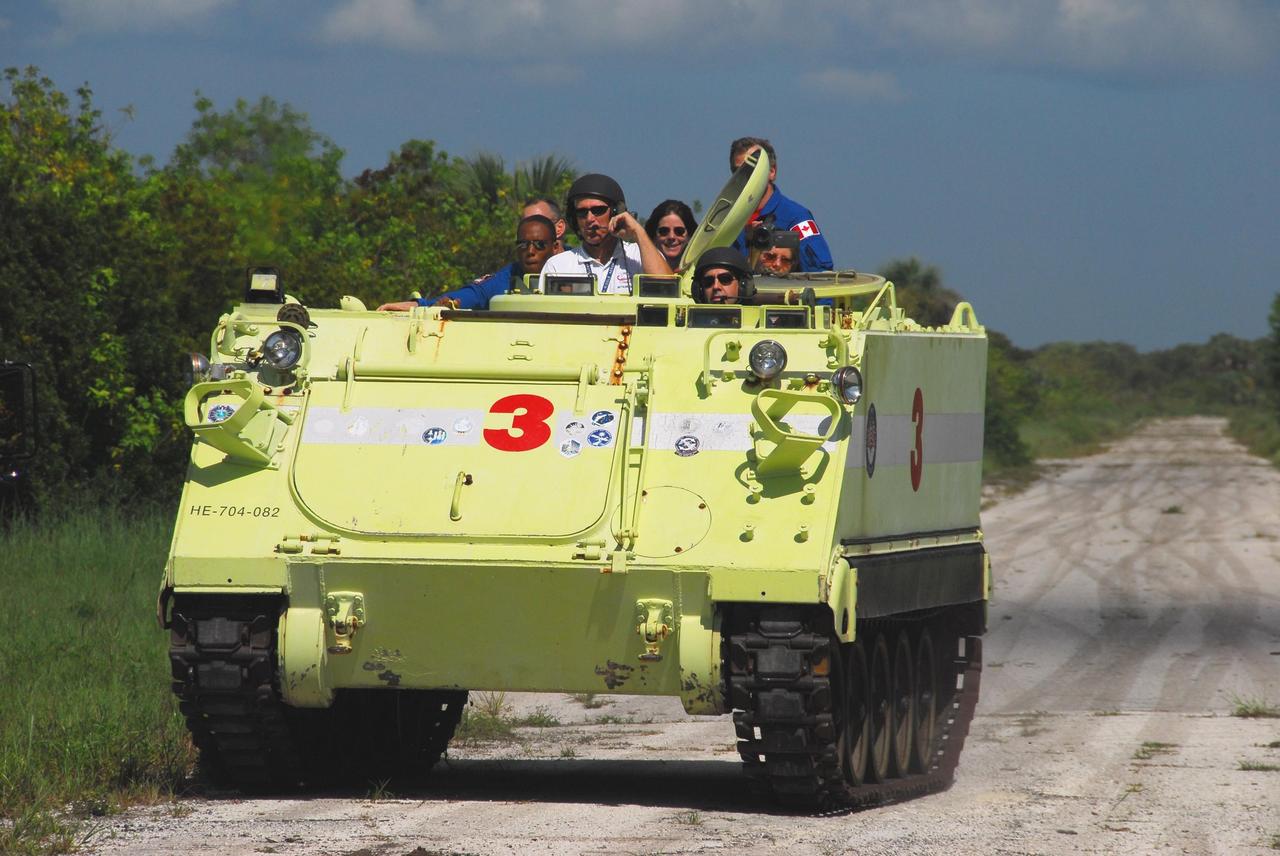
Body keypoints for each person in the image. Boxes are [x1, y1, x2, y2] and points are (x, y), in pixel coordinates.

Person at [376, 215, 557, 311]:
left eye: (540, 244)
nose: (531, 251)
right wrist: (419, 305)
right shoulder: (505, 279)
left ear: (555, 247)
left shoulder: (573, 271)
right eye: (523, 244)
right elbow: (467, 296)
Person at [539, 173, 672, 294]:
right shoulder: (558, 266)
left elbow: (668, 289)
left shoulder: (638, 256)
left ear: (616, 212)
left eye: (598, 210)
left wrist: (638, 232)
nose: (590, 219)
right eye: (582, 212)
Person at [729, 137, 833, 272]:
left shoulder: (796, 218)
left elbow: (820, 274)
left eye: (751, 170)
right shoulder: (726, 221)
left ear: (772, 172)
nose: (743, 178)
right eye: (737, 172)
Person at [644, 199, 697, 272]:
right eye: (664, 231)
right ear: (653, 236)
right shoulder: (638, 268)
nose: (671, 237)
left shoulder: (701, 273)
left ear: (690, 236)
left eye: (679, 231)